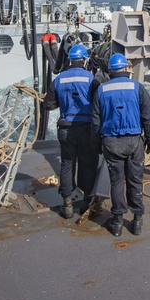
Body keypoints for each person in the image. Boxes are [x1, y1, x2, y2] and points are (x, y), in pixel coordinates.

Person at [91, 53, 150, 237]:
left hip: (111, 143)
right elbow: (148, 116)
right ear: (127, 69)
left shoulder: (102, 90)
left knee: (117, 182)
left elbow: (95, 123)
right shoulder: (137, 87)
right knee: (135, 180)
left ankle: (118, 222)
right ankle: (137, 221)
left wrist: (97, 145)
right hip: (134, 142)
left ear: (110, 70)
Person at [53, 44, 99, 219]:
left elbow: (49, 104)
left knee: (67, 164)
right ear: (85, 59)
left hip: (66, 129)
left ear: (70, 60)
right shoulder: (91, 78)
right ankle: (86, 202)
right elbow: (98, 104)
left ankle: (67, 205)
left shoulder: (58, 79)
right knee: (88, 163)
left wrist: (64, 103)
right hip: (86, 129)